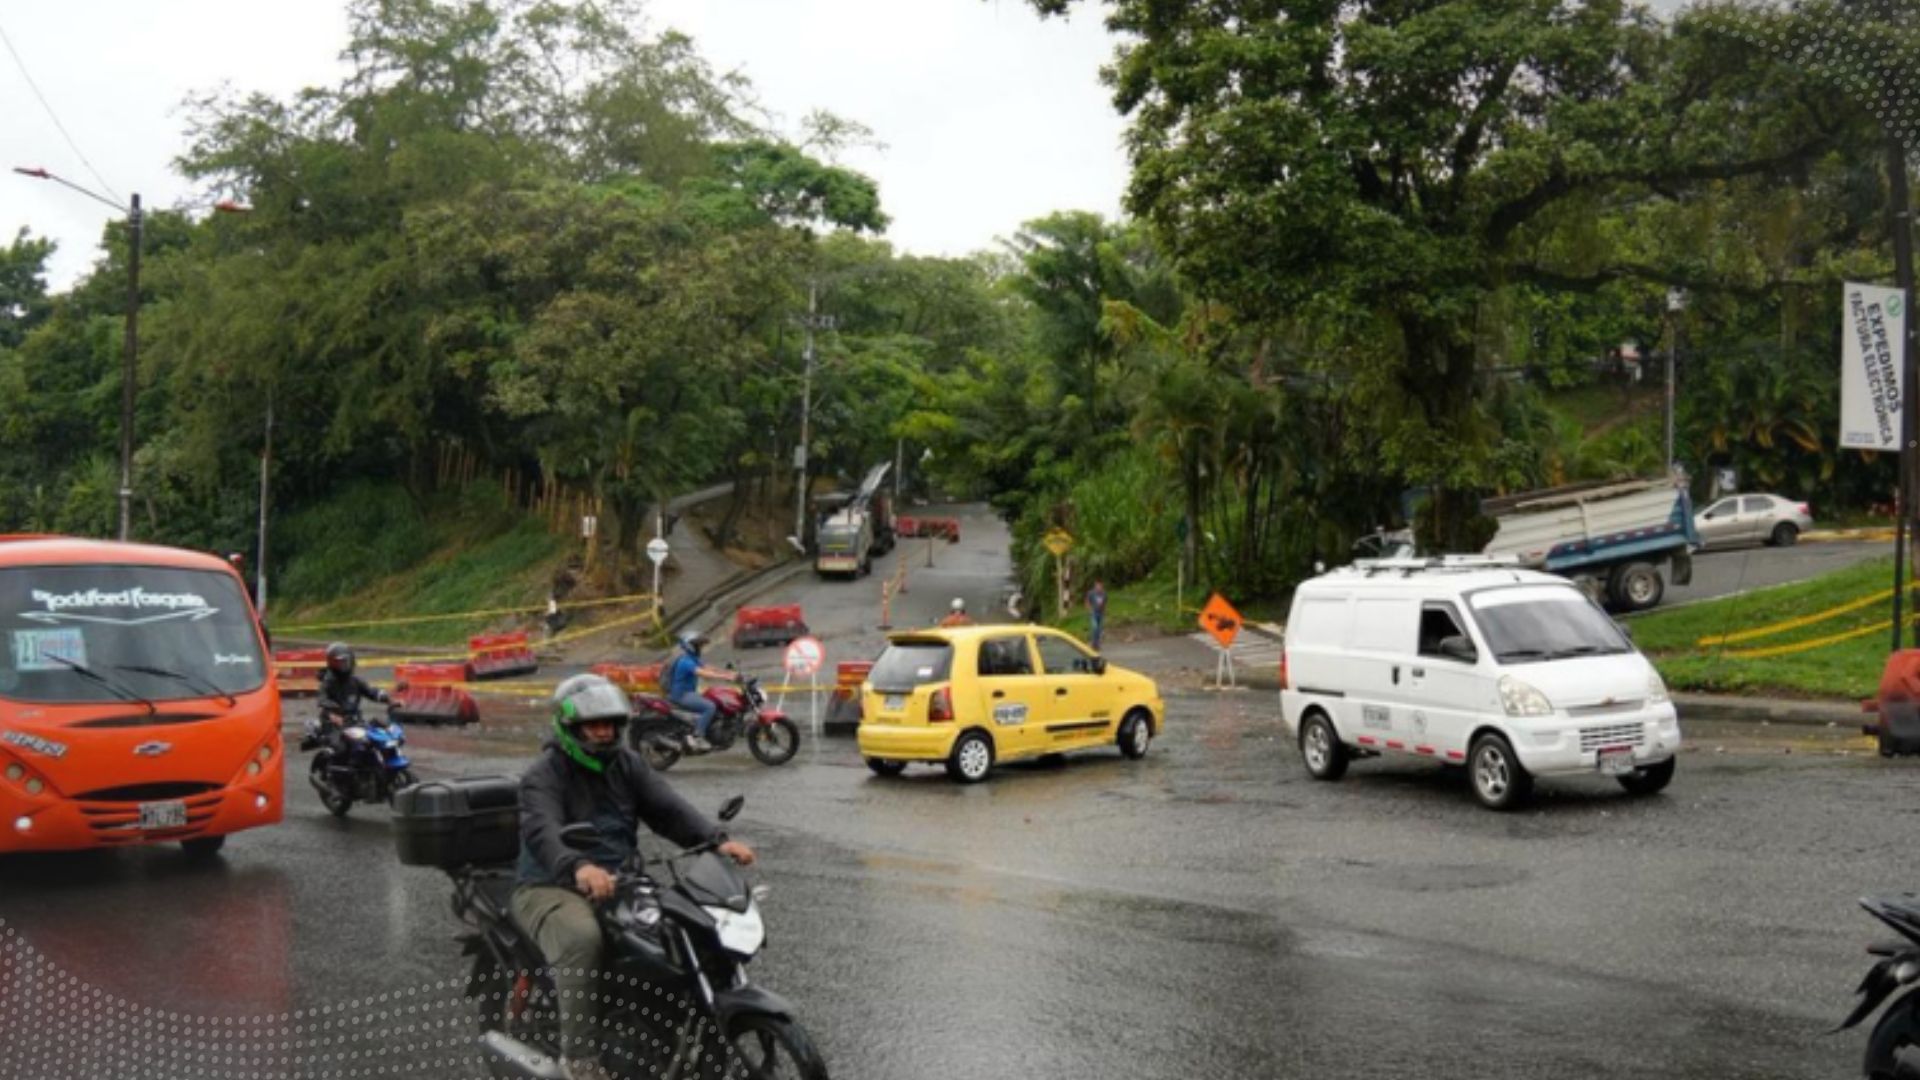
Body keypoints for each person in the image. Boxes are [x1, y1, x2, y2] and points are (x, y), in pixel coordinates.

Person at [513, 674, 756, 1080]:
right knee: (581, 938)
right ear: (571, 728)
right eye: (594, 725)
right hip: (549, 883)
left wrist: (716, 841)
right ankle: (580, 1061)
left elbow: (668, 809)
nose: (605, 732)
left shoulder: (626, 764)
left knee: (687, 929)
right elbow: (543, 831)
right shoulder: (545, 775)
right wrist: (578, 866)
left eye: (610, 724)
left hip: (620, 878)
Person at [664, 632, 738, 752]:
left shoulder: (692, 658)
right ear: (690, 646)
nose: (700, 648)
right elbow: (704, 673)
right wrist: (726, 678)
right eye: (698, 645)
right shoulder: (685, 661)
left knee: (713, 700)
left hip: (689, 693)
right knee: (710, 707)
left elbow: (708, 668)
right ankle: (698, 737)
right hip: (681, 695)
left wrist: (728, 673)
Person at [314, 641, 388, 751]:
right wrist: (333, 710)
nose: (343, 665)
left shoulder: (355, 681)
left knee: (377, 738)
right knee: (340, 746)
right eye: (338, 662)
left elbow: (371, 692)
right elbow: (322, 699)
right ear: (331, 663)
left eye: (344, 661)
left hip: (355, 721)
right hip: (334, 724)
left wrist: (386, 697)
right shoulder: (328, 682)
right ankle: (334, 766)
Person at [1086, 579, 1108, 650]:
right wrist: (1090, 610)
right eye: (1097, 586)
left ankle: (1097, 644)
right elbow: (1087, 602)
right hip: (1093, 613)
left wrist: (1105, 611)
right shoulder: (1091, 593)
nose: (1099, 587)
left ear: (1102, 586)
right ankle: (1093, 643)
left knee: (1099, 629)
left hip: (1101, 614)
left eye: (1100, 586)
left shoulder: (1104, 594)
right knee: (1094, 628)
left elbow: (1105, 603)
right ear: (1095, 586)